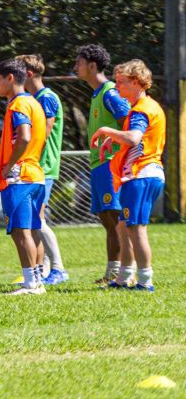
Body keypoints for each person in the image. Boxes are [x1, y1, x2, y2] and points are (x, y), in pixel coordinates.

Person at [92, 59, 164, 291]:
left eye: (121, 82)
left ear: (136, 82)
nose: (117, 87)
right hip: (142, 174)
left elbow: (133, 138)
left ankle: (144, 280)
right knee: (124, 226)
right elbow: (136, 138)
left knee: (135, 227)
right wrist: (113, 139)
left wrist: (106, 130)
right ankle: (123, 278)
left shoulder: (141, 110)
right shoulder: (143, 107)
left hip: (142, 174)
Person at [0, 58, 49, 295]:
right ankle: (36, 280)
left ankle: (31, 283)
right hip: (35, 173)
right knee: (31, 228)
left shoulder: (18, 106)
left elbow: (24, 137)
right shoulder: (35, 103)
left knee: (20, 230)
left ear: (10, 78)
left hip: (20, 175)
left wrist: (9, 165)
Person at [74, 44, 131, 285]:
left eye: (79, 62)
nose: (75, 67)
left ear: (92, 65)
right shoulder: (97, 94)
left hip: (111, 163)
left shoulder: (110, 92)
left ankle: (125, 272)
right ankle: (112, 272)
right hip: (98, 164)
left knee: (117, 218)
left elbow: (129, 122)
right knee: (106, 219)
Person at [17, 54, 69, 286]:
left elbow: (43, 133)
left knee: (37, 218)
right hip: (35, 166)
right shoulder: (33, 98)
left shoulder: (47, 98)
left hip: (43, 166)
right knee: (34, 219)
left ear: (27, 74)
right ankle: (43, 269)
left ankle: (58, 268)